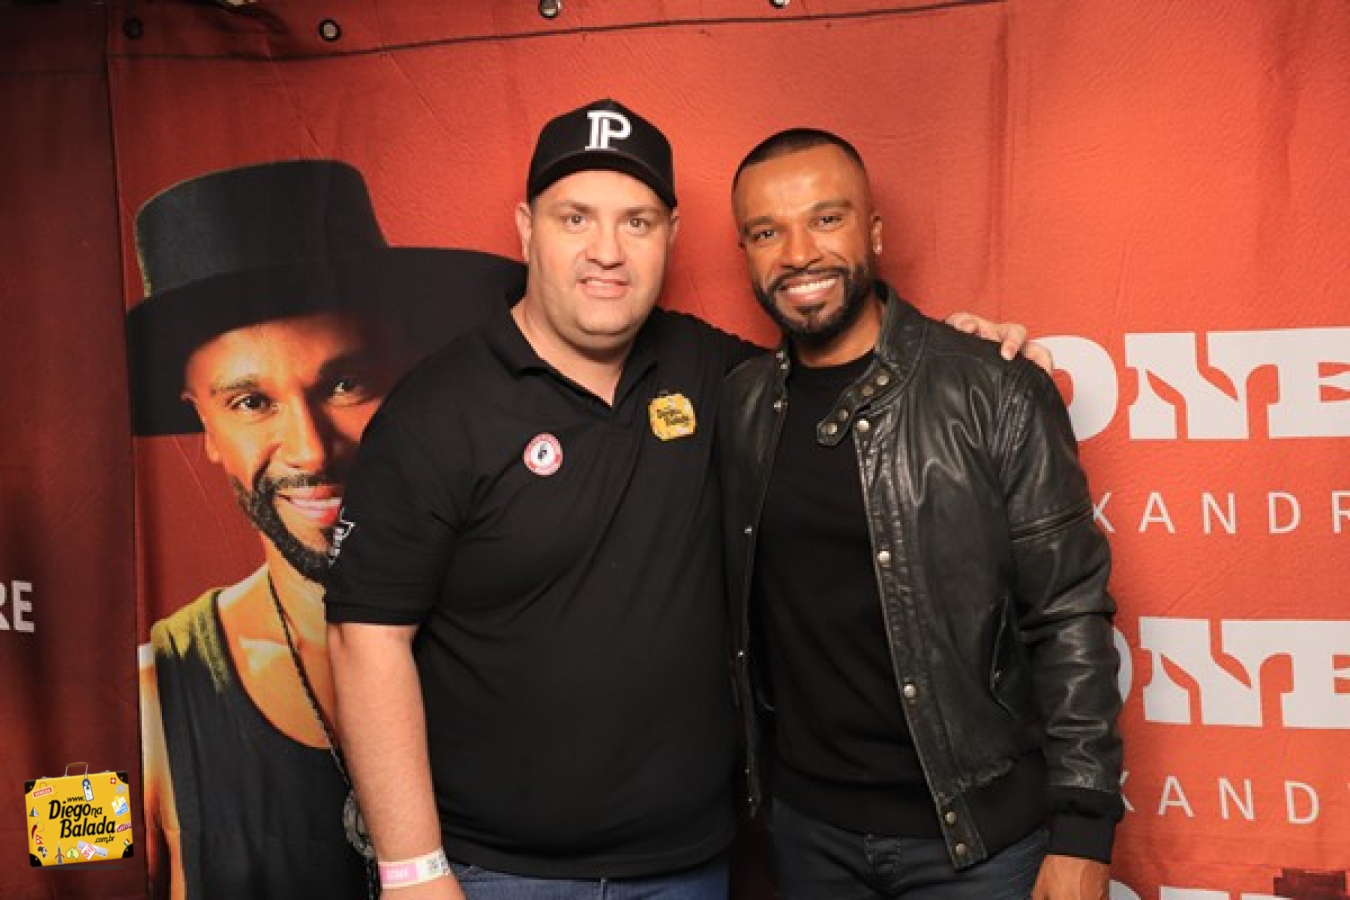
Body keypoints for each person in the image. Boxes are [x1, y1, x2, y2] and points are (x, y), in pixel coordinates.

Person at [323, 99, 1043, 900]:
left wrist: (957, 361)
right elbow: (365, 640)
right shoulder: (437, 411)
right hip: (498, 873)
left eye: (636, 222)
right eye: (575, 219)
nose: (607, 251)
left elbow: (850, 373)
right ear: (526, 230)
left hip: (690, 868)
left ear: (671, 233)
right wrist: (414, 871)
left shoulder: (716, 376)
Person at [718, 128, 1124, 900]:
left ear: (873, 232)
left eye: (826, 219)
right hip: (807, 834)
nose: (798, 253)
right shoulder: (739, 404)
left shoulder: (993, 388)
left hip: (978, 842)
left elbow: (1069, 612)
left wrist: (1084, 829)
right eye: (767, 232)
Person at [127, 159, 525, 899]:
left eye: (346, 384)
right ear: (204, 426)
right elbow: (61, 864)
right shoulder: (152, 704)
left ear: (410, 378)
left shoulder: (525, 631)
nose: (311, 451)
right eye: (251, 402)